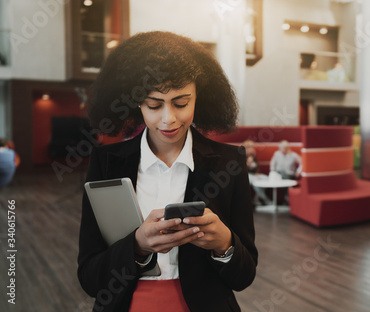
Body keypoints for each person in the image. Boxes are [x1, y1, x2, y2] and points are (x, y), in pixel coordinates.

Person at [78, 31, 257, 312]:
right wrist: (137, 245)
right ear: (136, 102)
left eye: (181, 103)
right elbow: (89, 277)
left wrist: (224, 243)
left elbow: (244, 276)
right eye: (154, 104)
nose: (168, 118)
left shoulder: (229, 162)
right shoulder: (106, 163)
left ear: (200, 97)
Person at [243, 140, 271, 205]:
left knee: (266, 178)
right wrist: (247, 163)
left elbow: (257, 167)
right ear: (246, 148)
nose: (252, 149)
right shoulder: (242, 156)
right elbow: (241, 170)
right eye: (250, 148)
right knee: (256, 182)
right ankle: (265, 199)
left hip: (254, 174)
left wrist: (257, 173)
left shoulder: (253, 156)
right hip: (246, 175)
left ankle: (256, 198)